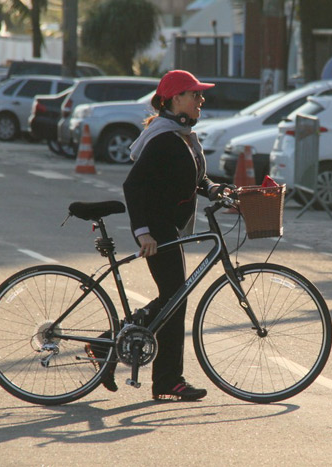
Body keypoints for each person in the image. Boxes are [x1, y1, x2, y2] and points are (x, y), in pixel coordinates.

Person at [106, 70, 228, 401]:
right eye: (195, 94)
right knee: (175, 298)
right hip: (156, 229)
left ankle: (107, 342)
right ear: (176, 99)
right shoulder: (164, 138)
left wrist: (214, 188)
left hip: (166, 227)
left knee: (173, 298)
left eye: (201, 95)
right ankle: (167, 380)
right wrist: (143, 233)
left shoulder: (181, 135)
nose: (201, 100)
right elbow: (133, 185)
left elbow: (192, 178)